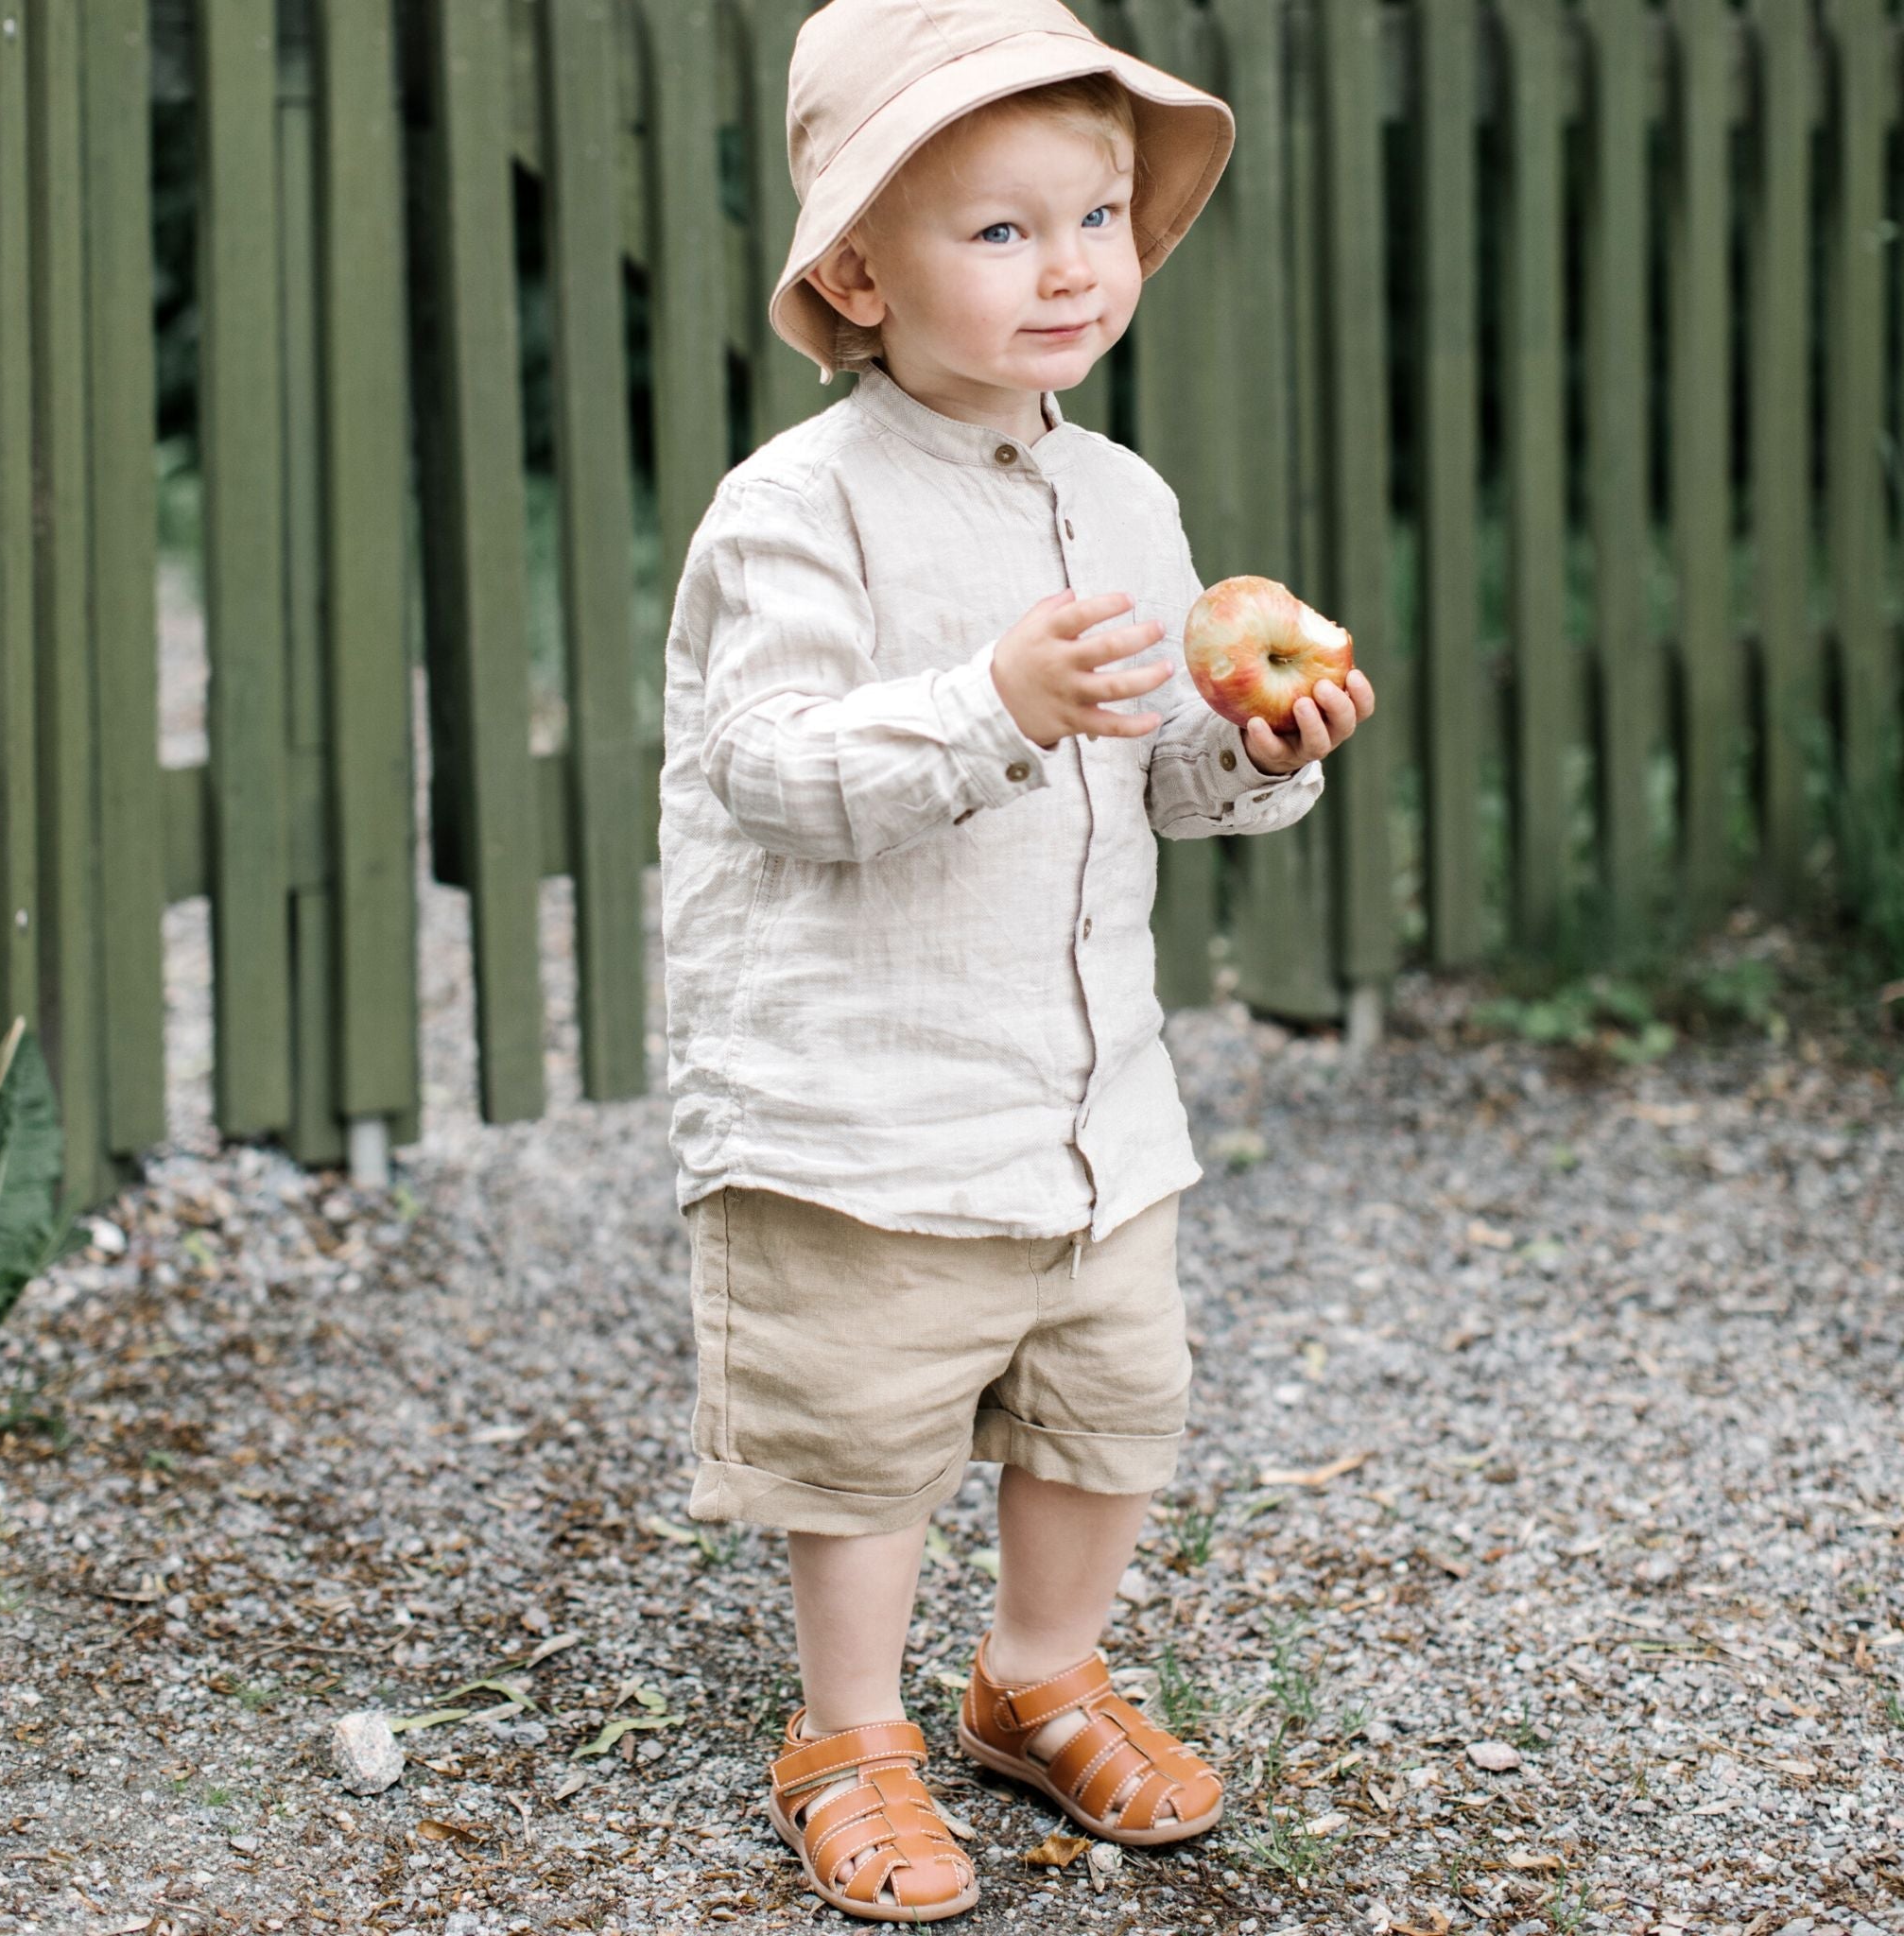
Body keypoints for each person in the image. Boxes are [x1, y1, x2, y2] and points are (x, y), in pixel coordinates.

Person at [656, 0, 1376, 1919]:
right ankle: (848, 1727)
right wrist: (990, 698)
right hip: (861, 1102)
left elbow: (1159, 781)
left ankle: (1037, 1669)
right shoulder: (796, 509)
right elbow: (771, 770)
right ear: (862, 272)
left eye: (1099, 218)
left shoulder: (1125, 500)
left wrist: (1253, 752)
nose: (1069, 267)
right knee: (868, 1428)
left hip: (1083, 1098)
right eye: (999, 230)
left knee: (1110, 1400)